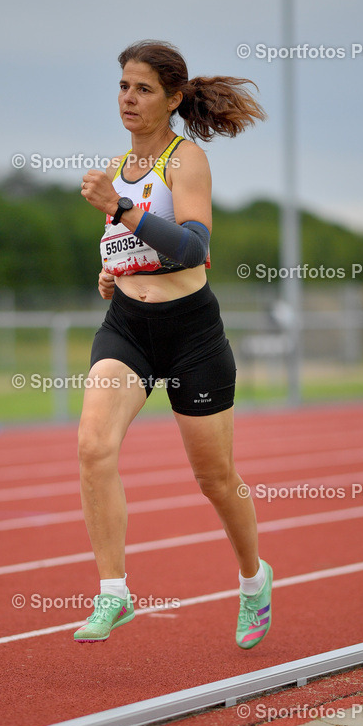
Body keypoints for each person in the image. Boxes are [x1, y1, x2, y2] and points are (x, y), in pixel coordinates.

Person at [75, 39, 272, 649]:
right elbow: (136, 248)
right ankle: (114, 593)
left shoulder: (185, 161)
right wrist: (112, 271)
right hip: (128, 331)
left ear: (174, 98)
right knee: (92, 446)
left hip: (191, 334)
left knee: (215, 479)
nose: (128, 100)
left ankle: (253, 580)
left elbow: (190, 248)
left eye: (143, 89)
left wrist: (121, 209)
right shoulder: (117, 167)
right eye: (123, 87)